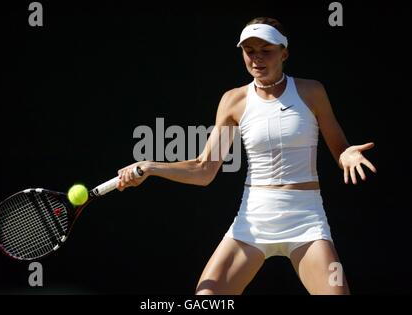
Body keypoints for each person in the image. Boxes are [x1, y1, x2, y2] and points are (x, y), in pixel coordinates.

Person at [115, 17, 377, 295]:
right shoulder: (233, 101)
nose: (257, 58)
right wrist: (151, 167)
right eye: (249, 51)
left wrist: (347, 155)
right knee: (207, 297)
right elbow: (204, 169)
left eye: (266, 50)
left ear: (284, 52)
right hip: (253, 220)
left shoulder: (312, 92)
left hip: (305, 219)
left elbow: (340, 147)